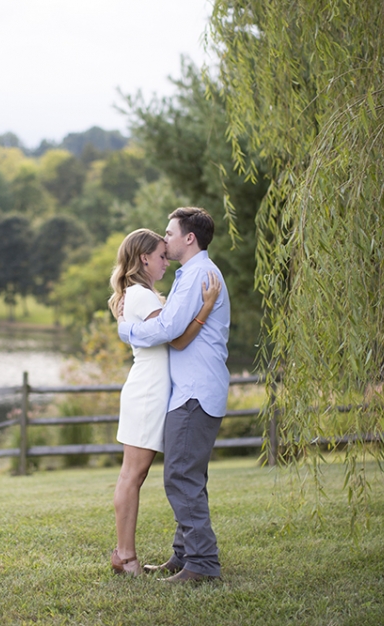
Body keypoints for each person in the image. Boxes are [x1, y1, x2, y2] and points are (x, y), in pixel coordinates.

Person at [117, 207, 230, 583]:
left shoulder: (198, 274)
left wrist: (127, 332)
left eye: (169, 233)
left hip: (194, 392)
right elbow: (177, 335)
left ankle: (201, 563)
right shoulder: (193, 275)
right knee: (186, 474)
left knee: (181, 476)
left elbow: (168, 329)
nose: (164, 240)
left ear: (189, 238)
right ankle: (184, 557)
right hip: (189, 391)